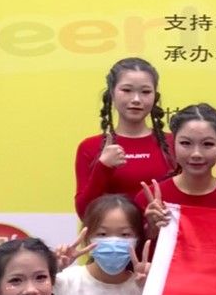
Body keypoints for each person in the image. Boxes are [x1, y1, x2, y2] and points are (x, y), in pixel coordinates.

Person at [73, 57, 174, 217]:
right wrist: (103, 167)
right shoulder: (90, 147)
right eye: (127, 90)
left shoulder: (174, 143)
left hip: (163, 232)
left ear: (155, 96)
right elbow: (84, 212)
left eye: (145, 92)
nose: (136, 99)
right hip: (112, 234)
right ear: (112, 94)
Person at [135, 104, 216, 231]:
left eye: (207, 144)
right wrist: (151, 230)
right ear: (173, 144)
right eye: (186, 143)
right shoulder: (149, 200)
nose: (196, 154)